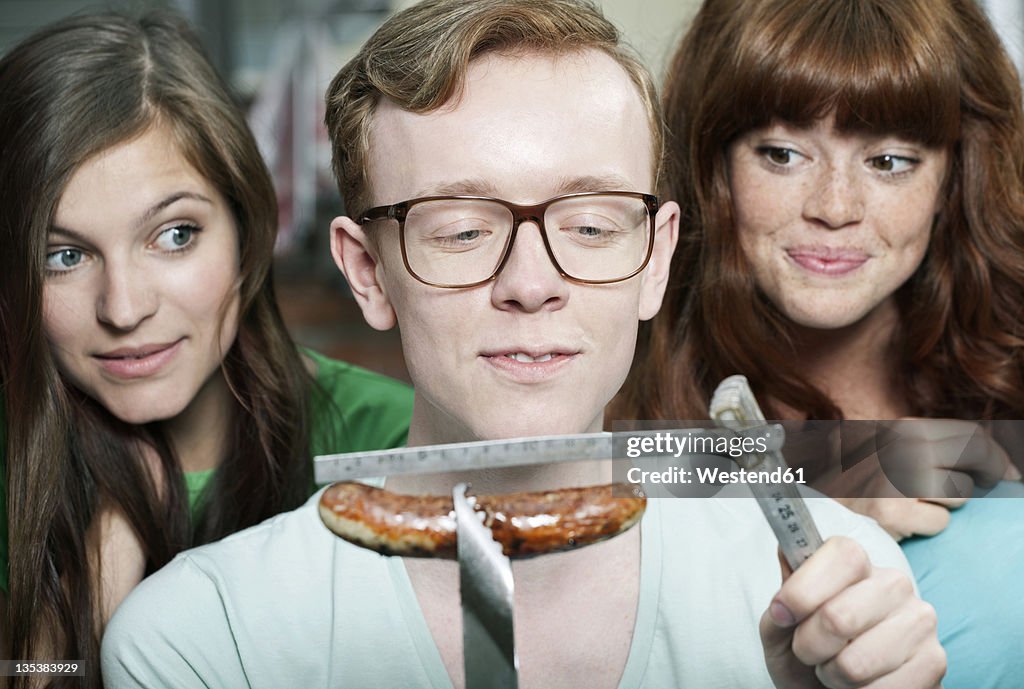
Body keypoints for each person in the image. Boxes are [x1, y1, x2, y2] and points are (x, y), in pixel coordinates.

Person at [101, 1, 944, 687]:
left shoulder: (839, 592)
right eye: (462, 230)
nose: (532, 282)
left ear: (655, 260)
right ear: (367, 274)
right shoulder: (205, 643)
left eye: (588, 223)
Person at [613, 0, 1024, 686]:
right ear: (712, 163)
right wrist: (815, 482)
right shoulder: (613, 383)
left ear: (956, 176)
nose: (835, 206)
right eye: (781, 154)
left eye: (890, 161)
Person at [0, 10, 412, 685]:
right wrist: (89, 589)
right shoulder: (10, 456)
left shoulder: (385, 436)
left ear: (247, 231)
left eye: (175, 235)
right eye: (64, 255)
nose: (125, 308)